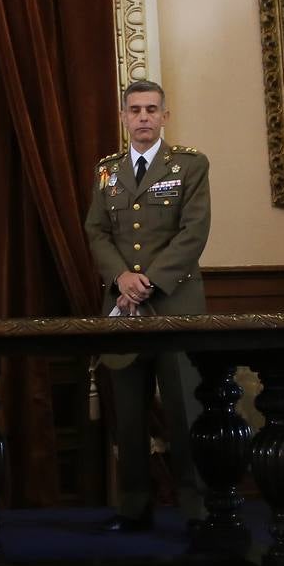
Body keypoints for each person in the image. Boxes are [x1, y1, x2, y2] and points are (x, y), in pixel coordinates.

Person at [83, 80, 209, 533]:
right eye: (134, 110)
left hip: (176, 304)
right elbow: (96, 231)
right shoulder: (107, 171)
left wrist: (148, 282)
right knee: (129, 413)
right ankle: (134, 506)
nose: (142, 117)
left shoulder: (190, 165)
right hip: (122, 307)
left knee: (185, 409)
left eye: (151, 110)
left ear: (164, 116)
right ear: (123, 117)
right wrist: (121, 278)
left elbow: (194, 232)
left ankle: (198, 510)